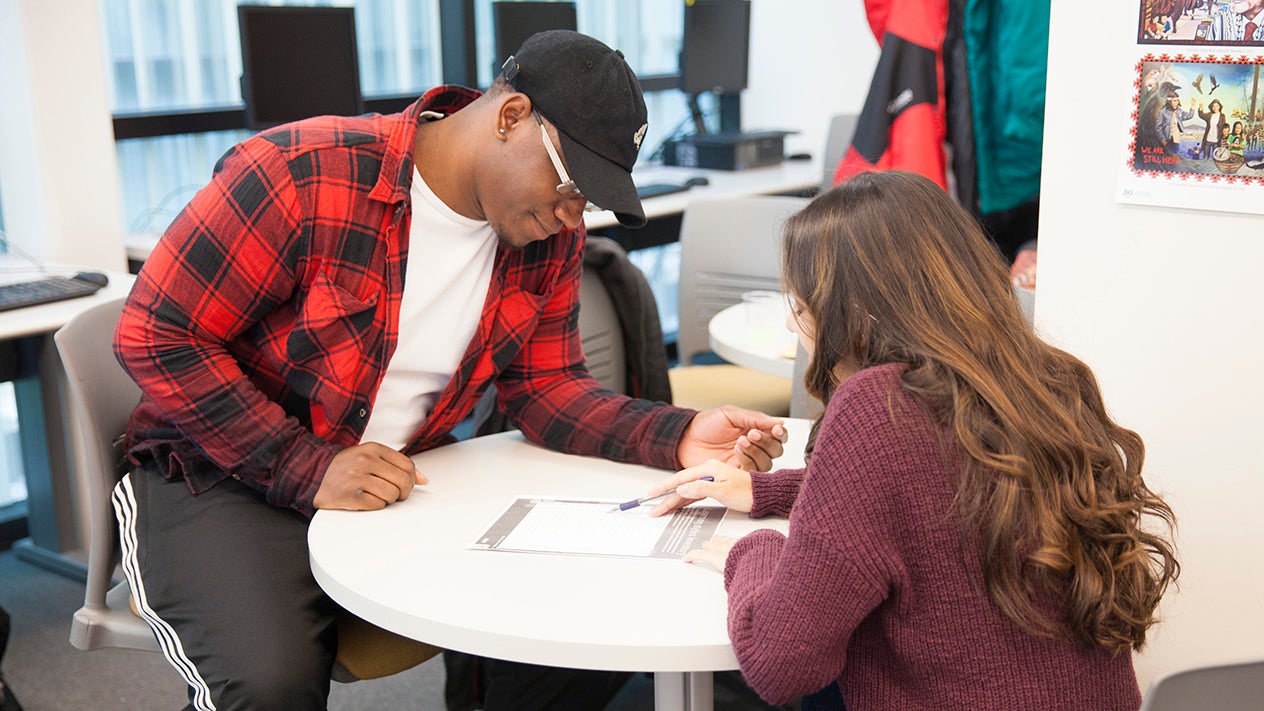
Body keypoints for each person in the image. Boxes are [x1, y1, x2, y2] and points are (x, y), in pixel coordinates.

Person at [111, 30, 786, 711]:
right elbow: (157, 333)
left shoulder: (543, 237)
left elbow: (547, 389)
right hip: (220, 473)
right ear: (511, 116)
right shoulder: (299, 172)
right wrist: (306, 466)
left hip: (396, 470)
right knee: (269, 685)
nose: (571, 215)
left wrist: (678, 434)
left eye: (590, 200)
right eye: (571, 184)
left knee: (580, 617)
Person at [644, 171, 1180, 710]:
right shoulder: (1046, 378)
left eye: (802, 307)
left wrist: (754, 552)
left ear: (856, 314)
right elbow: (941, 488)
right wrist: (772, 491)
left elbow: (780, 663)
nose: (792, 325)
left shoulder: (877, 409)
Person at [1156, 88, 1196, 155]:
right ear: (1169, 102)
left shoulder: (1179, 111)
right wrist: (1162, 139)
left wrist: (1193, 106)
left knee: (1175, 158)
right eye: (1174, 101)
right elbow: (1158, 127)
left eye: (1177, 101)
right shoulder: (1163, 112)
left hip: (1176, 139)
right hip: (1166, 139)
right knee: (1166, 159)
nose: (1176, 103)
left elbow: (1189, 116)